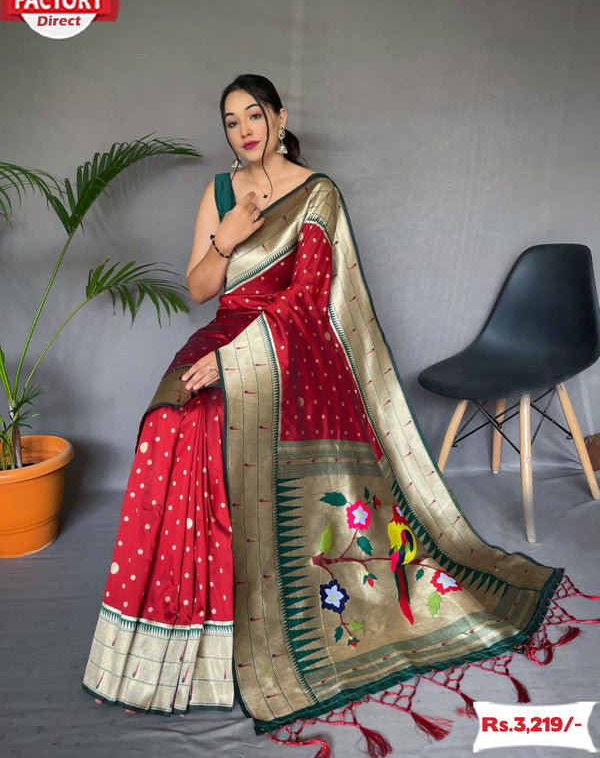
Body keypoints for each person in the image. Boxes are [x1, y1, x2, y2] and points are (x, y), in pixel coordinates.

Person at [83, 75, 590, 753]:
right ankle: (185, 637)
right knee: (169, 421)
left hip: (288, 346)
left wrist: (237, 364)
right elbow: (200, 288)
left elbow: (308, 301)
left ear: (280, 117)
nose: (244, 130)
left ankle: (252, 623)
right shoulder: (219, 193)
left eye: (254, 115)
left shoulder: (317, 194)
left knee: (214, 420)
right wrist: (225, 238)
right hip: (225, 330)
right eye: (231, 121)